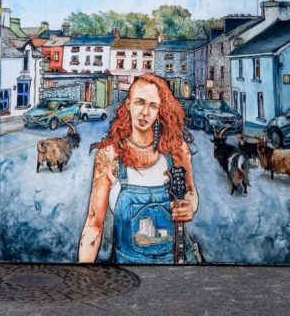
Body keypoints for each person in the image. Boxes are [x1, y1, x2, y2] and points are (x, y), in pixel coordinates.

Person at [78, 74, 199, 265]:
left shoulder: (177, 150)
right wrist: (82, 274)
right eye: (139, 102)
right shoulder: (109, 156)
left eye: (153, 106)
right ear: (128, 104)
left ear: (161, 110)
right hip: (128, 271)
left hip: (179, 263)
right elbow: (94, 225)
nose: (145, 112)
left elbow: (191, 193)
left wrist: (190, 206)